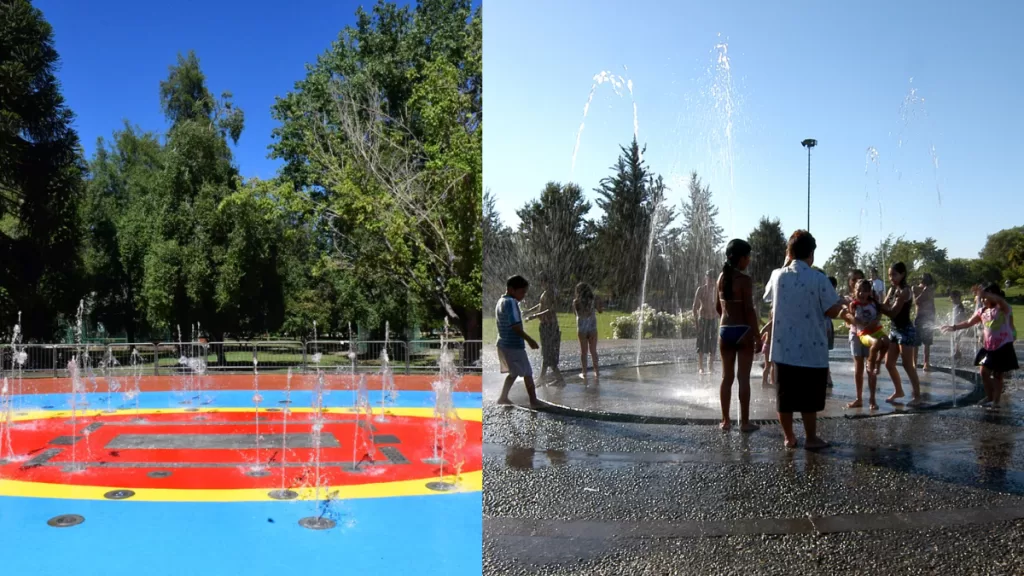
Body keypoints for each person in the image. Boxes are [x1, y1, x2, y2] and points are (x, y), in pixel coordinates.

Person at [764, 230, 842, 450]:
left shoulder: (777, 275)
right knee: (809, 399)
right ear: (812, 254)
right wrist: (844, 307)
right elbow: (832, 310)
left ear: (789, 253)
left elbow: (767, 296)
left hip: (783, 349)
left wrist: (786, 260)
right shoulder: (819, 278)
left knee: (784, 397)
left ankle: (789, 437)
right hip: (811, 348)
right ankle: (810, 438)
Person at [942, 283, 1018, 407]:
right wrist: (954, 327)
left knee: (998, 374)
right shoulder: (982, 311)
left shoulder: (1003, 308)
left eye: (985, 297)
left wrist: (986, 293)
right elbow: (968, 322)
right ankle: (989, 397)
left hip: (1003, 346)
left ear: (994, 296)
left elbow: (1000, 300)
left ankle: (996, 401)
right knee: (983, 372)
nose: (982, 300)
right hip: (988, 347)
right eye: (981, 298)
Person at [715, 239, 761, 433]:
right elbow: (749, 310)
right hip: (743, 331)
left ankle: (725, 421)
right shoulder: (744, 280)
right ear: (741, 258)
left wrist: (728, 319)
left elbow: (718, 307)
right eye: (748, 257)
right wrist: (758, 336)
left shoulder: (721, 278)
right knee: (743, 378)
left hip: (724, 330)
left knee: (726, 377)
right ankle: (744, 423)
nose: (749, 261)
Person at [878, 262, 923, 406]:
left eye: (894, 275)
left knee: (907, 365)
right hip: (894, 330)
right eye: (890, 275)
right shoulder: (892, 290)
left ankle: (917, 396)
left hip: (906, 331)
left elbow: (893, 312)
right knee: (889, 363)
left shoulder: (905, 291)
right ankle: (899, 391)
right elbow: (884, 306)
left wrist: (875, 304)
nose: (891, 278)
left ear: (902, 274)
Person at [495, 275, 540, 406]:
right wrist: (529, 340)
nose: (523, 295)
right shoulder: (511, 302)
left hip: (504, 343)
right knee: (528, 372)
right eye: (522, 292)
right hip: (513, 345)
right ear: (511, 289)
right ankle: (534, 401)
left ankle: (503, 397)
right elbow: (515, 326)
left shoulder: (501, 301)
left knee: (513, 373)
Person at [842, 270, 879, 410]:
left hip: (870, 335)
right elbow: (845, 315)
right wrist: (853, 318)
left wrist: (875, 321)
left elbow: (878, 311)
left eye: (860, 279)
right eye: (854, 280)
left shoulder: (871, 299)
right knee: (858, 367)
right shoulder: (849, 300)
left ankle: (872, 399)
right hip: (855, 334)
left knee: (870, 367)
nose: (856, 282)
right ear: (851, 283)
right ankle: (859, 398)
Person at [841, 279, 891, 378]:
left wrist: (875, 321)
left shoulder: (873, 303)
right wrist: (860, 322)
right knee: (877, 343)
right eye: (858, 290)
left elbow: (880, 312)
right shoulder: (854, 305)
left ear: (869, 292)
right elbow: (851, 319)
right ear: (855, 291)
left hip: (875, 330)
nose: (861, 293)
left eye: (864, 291)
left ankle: (878, 361)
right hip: (863, 332)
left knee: (887, 341)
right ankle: (869, 361)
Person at [522, 276, 564, 385]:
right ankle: (544, 378)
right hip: (546, 325)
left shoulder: (550, 293)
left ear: (546, 282)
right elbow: (541, 305)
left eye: (542, 282)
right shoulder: (546, 292)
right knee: (546, 353)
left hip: (549, 326)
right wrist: (529, 311)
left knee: (547, 353)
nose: (541, 284)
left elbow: (550, 309)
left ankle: (557, 379)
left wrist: (534, 316)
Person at [573, 282, 601, 380]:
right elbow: (601, 310)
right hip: (592, 327)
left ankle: (584, 372)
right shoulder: (592, 300)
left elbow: (577, 314)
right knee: (593, 351)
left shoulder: (576, 302)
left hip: (582, 328)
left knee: (583, 352)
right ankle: (596, 371)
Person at [692, 270, 718, 374]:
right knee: (701, 343)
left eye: (712, 278)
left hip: (713, 319)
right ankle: (700, 367)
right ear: (705, 278)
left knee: (713, 343)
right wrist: (696, 323)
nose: (711, 280)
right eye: (709, 277)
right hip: (703, 319)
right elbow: (694, 307)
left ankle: (710, 367)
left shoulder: (716, 290)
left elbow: (720, 306)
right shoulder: (701, 290)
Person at [913, 273, 936, 371]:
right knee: (916, 342)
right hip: (920, 316)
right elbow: (917, 301)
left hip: (929, 317)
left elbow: (932, 303)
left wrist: (934, 316)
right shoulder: (915, 288)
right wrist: (924, 292)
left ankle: (926, 363)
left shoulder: (930, 289)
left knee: (927, 342)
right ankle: (914, 362)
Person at [950, 290, 967, 362]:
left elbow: (963, 319)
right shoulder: (956, 306)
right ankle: (958, 353)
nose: (952, 300)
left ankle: (957, 353)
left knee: (957, 339)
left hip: (959, 327)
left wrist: (959, 327)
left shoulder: (960, 307)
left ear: (957, 297)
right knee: (956, 340)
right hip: (956, 326)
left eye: (953, 298)